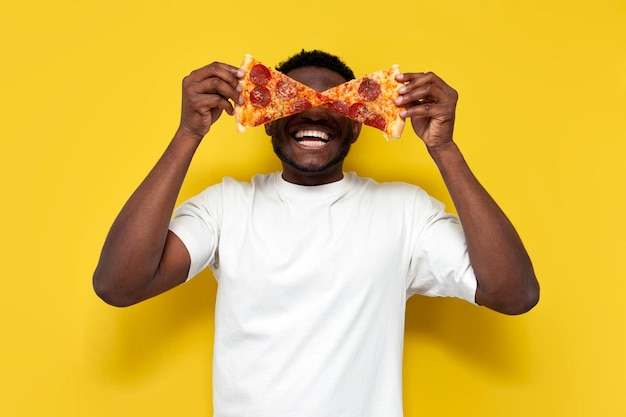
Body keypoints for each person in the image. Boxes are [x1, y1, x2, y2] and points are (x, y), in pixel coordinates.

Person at [93, 50, 539, 416]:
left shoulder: (404, 211)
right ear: (267, 118)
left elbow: (513, 294)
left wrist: (444, 148)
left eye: (336, 104)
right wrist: (188, 133)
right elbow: (118, 284)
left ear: (360, 122)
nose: (315, 114)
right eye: (294, 101)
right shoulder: (226, 206)